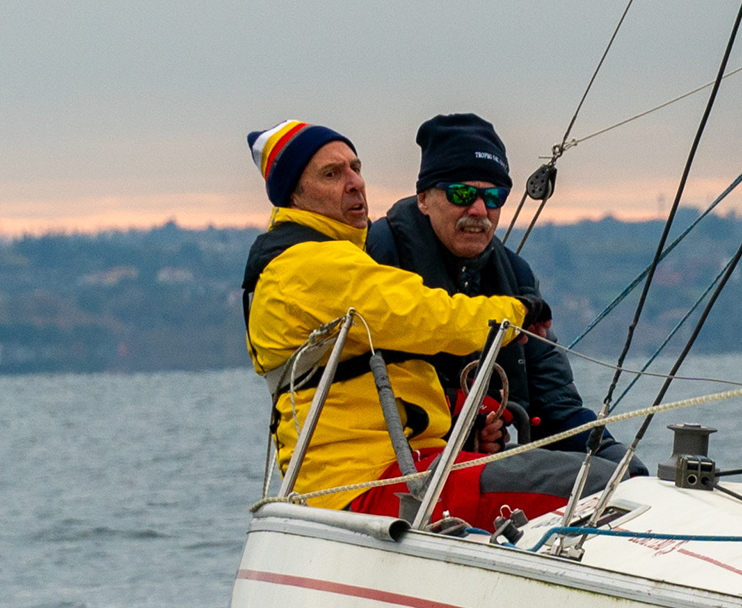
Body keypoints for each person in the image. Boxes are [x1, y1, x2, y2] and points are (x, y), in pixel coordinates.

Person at [240, 119, 539, 513]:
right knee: (582, 484)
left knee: (562, 477)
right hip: (369, 484)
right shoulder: (309, 266)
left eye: (356, 169)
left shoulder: (334, 258)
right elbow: (430, 317)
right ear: (293, 196)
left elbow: (373, 379)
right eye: (331, 174)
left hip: (395, 472)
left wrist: (463, 421)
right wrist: (518, 312)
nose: (354, 183)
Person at [363, 112, 631, 503]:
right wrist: (463, 423)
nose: (478, 210)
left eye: (494, 198)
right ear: (423, 199)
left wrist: (616, 458)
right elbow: (366, 388)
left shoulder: (517, 277)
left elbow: (556, 400)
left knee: (622, 476)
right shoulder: (377, 259)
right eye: (461, 194)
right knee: (593, 482)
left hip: (496, 462)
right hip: (405, 471)